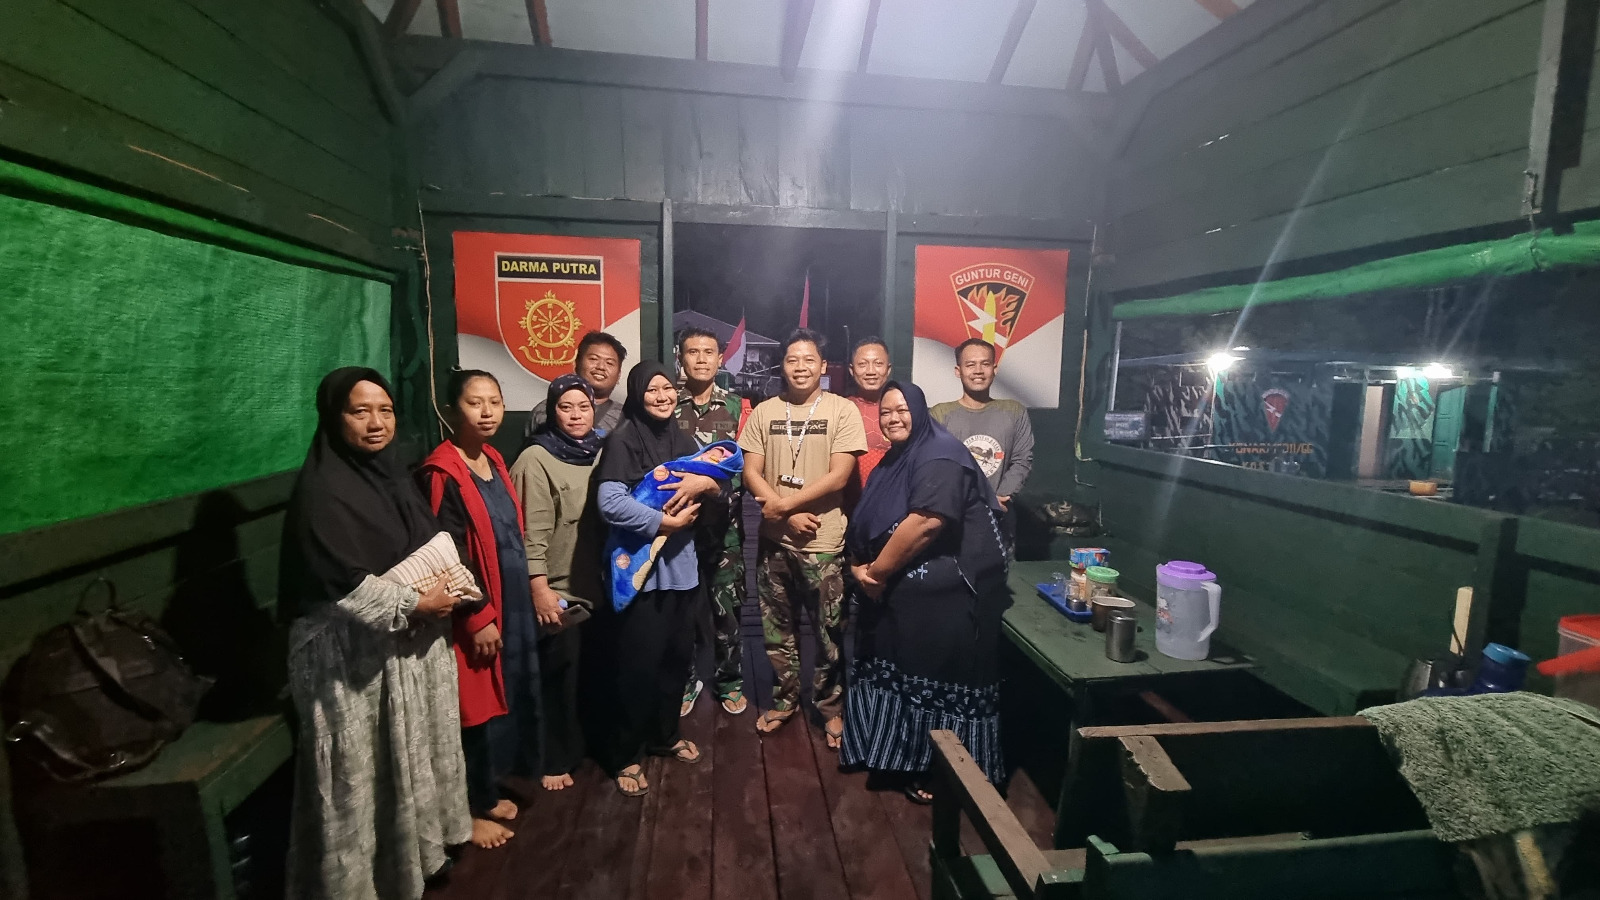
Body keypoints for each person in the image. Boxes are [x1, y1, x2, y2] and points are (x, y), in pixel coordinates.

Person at [281, 367, 470, 899]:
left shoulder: (393, 478)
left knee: (410, 755)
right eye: (359, 411)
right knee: (360, 776)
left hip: (404, 646)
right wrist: (416, 603)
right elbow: (337, 578)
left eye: (385, 411)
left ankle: (417, 860)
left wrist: (438, 595)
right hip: (348, 662)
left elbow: (427, 541)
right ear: (333, 417)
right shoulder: (323, 491)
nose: (376, 423)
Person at [843, 381, 1012, 804]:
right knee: (898, 677)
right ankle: (893, 754)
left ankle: (941, 770)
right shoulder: (899, 457)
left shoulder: (939, 454)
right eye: (885, 412)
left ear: (919, 411)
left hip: (946, 597)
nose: (893, 418)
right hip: (900, 590)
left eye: (902, 409)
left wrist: (874, 574)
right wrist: (860, 567)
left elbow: (926, 523)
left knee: (933, 685)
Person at [419, 370, 540, 850]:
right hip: (476, 604)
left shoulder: (493, 458)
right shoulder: (441, 473)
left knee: (504, 693)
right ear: (452, 411)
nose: (487, 412)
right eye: (475, 403)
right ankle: (467, 806)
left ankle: (489, 789)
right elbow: (443, 553)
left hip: (511, 596)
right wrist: (476, 615)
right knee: (473, 706)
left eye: (495, 401)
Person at [594, 361, 724, 797]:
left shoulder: (682, 440)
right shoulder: (623, 440)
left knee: (675, 662)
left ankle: (664, 736)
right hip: (641, 576)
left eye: (668, 388)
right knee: (636, 667)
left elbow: (717, 484)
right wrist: (664, 524)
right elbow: (610, 502)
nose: (663, 396)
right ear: (637, 394)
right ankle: (625, 754)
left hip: (682, 572)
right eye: (652, 390)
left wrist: (706, 487)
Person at [738, 329, 866, 747]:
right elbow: (751, 471)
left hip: (822, 543)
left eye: (809, 359)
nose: (800, 367)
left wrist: (783, 507)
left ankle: (830, 707)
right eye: (792, 359)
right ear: (782, 365)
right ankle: (784, 699)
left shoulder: (842, 410)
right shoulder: (764, 411)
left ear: (823, 366)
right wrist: (784, 514)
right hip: (774, 541)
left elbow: (840, 475)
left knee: (829, 634)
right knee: (776, 630)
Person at [510, 374, 606, 792]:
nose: (576, 415)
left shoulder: (601, 451)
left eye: (583, 407)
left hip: (597, 586)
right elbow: (529, 534)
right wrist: (540, 589)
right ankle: (554, 758)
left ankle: (586, 746)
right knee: (557, 680)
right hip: (559, 591)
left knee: (590, 677)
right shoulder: (536, 458)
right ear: (552, 412)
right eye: (566, 407)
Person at [674, 327, 749, 718]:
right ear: (680, 357)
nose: (701, 359)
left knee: (727, 612)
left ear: (721, 359)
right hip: (676, 531)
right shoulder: (666, 402)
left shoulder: (738, 406)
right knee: (681, 611)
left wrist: (714, 486)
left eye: (708, 352)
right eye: (692, 351)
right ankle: (686, 681)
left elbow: (748, 465)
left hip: (725, 532)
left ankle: (729, 682)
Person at [929, 339, 1034, 511]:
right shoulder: (940, 414)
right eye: (970, 365)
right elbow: (933, 465)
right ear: (958, 371)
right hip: (953, 512)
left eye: (985, 364)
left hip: (1000, 511)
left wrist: (997, 500)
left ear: (994, 369)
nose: (978, 371)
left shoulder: (1014, 411)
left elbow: (1022, 460)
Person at [522, 330, 627, 443]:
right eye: (593, 359)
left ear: (619, 375)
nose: (601, 367)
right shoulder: (545, 410)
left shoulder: (626, 417)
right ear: (575, 364)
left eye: (609, 363)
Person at [844, 336, 894, 510]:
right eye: (862, 364)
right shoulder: (841, 409)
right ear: (852, 370)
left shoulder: (904, 411)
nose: (871, 371)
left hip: (891, 504)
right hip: (849, 505)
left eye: (878, 364)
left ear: (888, 369)